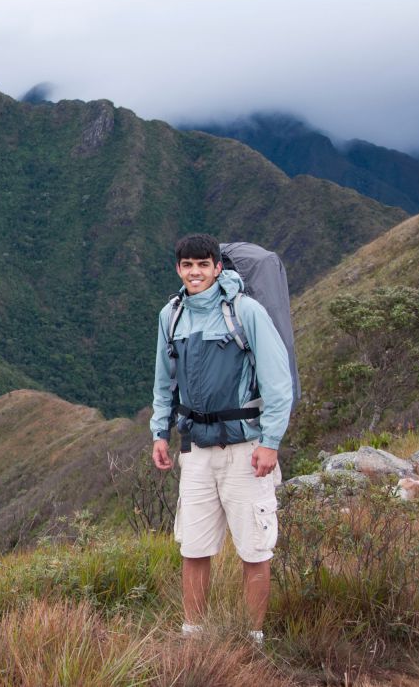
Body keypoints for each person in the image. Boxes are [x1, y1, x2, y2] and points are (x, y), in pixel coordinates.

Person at [150, 233, 294, 644]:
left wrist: (270, 442)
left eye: (203, 264)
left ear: (217, 267)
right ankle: (194, 635)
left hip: (245, 448)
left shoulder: (245, 311)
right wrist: (160, 432)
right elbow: (164, 381)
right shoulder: (171, 316)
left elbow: (278, 382)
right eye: (187, 265)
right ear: (178, 269)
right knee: (193, 547)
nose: (195, 272)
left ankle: (253, 638)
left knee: (254, 549)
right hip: (196, 449)